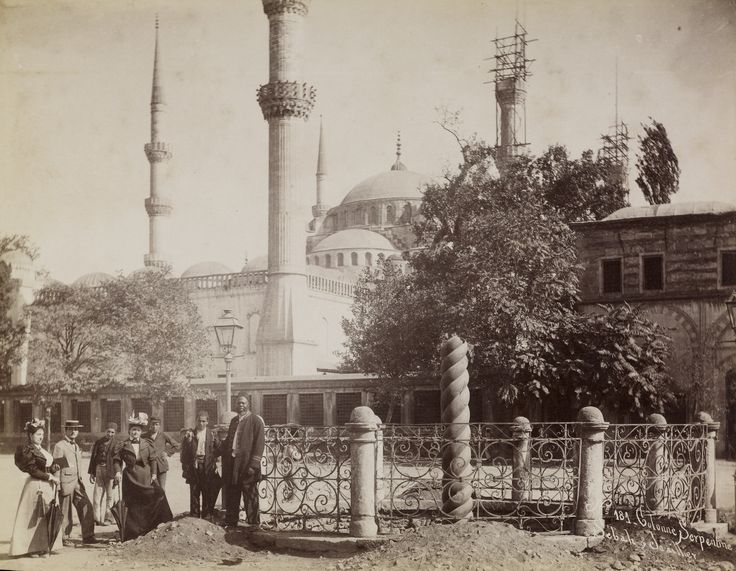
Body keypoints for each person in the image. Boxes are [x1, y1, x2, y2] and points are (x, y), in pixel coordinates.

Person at [113, 413, 173, 540]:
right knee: (133, 504)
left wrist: (154, 474)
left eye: (138, 430)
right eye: (133, 430)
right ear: (129, 431)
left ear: (141, 432)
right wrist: (118, 472)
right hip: (130, 477)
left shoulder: (147, 444)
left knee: (157, 494)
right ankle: (132, 532)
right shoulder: (123, 444)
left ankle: (151, 526)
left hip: (146, 476)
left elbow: (153, 460)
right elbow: (117, 460)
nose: (135, 432)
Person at [9, 419, 62, 557]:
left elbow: (45, 466)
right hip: (35, 485)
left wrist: (53, 468)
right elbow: (32, 469)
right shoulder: (26, 449)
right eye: (38, 434)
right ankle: (32, 548)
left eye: (42, 434)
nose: (41, 437)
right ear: (31, 435)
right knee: (34, 517)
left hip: (46, 485)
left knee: (46, 516)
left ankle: (44, 546)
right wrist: (50, 477)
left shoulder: (41, 449)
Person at [52, 419, 98, 546]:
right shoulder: (60, 446)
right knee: (65, 511)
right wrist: (58, 484)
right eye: (71, 429)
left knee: (86, 506)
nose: (73, 431)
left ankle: (88, 535)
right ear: (65, 430)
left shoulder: (76, 446)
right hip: (65, 482)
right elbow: (56, 466)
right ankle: (65, 537)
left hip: (77, 482)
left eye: (76, 429)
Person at [222, 394, 265, 528]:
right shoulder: (234, 421)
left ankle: (253, 524)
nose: (241, 405)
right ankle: (231, 522)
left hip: (247, 464)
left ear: (248, 404)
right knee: (233, 492)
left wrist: (253, 465)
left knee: (250, 493)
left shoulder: (255, 421)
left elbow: (259, 444)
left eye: (243, 403)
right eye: (238, 403)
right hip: (234, 464)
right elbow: (229, 441)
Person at [181, 411, 221, 520]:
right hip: (194, 466)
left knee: (207, 490)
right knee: (194, 490)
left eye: (204, 421)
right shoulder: (190, 434)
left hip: (207, 466)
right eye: (199, 421)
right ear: (196, 421)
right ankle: (194, 515)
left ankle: (206, 516)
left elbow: (218, 449)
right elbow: (184, 453)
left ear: (207, 422)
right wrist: (185, 468)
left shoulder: (211, 434)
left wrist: (212, 459)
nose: (201, 423)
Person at [88, 422, 121, 525]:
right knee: (97, 496)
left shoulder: (117, 443)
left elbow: (118, 460)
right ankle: (96, 519)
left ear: (115, 433)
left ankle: (108, 518)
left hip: (110, 470)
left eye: (112, 432)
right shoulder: (99, 442)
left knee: (110, 496)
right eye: (108, 431)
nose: (110, 434)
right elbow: (93, 457)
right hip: (99, 469)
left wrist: (118, 473)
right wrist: (92, 473)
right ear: (105, 431)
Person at [143, 416, 179, 491]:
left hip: (161, 466)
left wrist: (167, 453)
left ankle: (162, 503)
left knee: (161, 489)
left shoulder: (163, 435)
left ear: (159, 426)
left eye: (156, 424)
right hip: (149, 466)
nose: (154, 426)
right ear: (150, 425)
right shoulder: (144, 436)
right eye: (153, 424)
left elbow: (177, 445)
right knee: (150, 489)